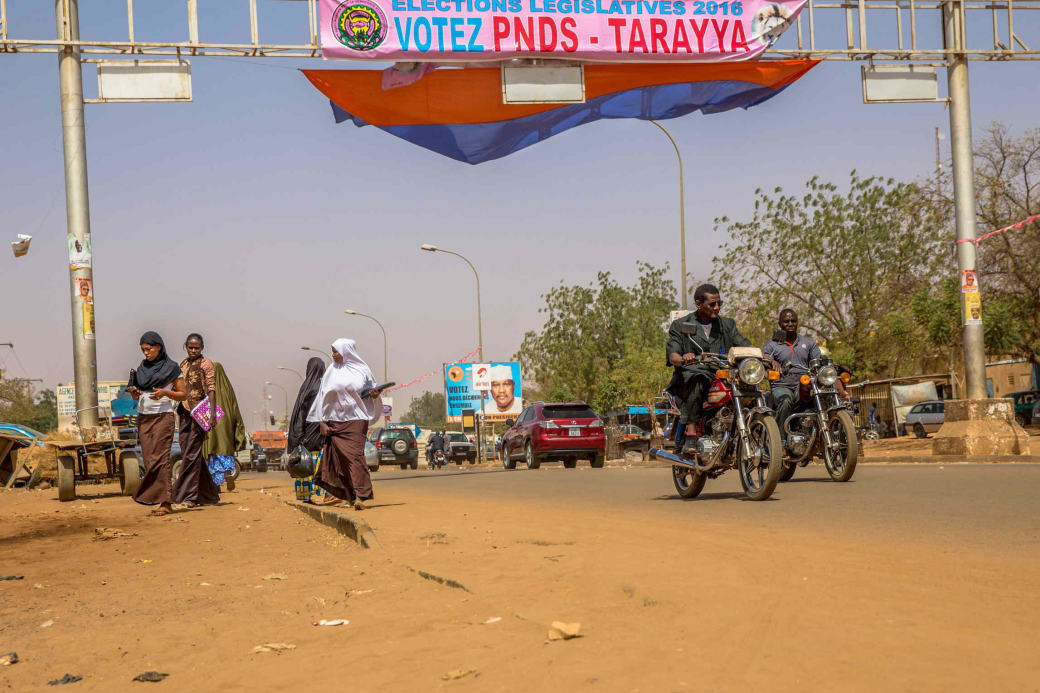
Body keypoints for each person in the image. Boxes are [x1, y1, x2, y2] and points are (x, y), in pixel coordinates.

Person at [665, 283, 751, 445]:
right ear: (698, 304)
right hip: (689, 379)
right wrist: (683, 358)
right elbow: (673, 354)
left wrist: (760, 355)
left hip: (722, 374)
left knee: (748, 383)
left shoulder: (727, 325)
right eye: (712, 304)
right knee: (696, 377)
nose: (717, 307)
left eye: (719, 303)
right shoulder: (681, 325)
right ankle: (691, 433)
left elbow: (743, 344)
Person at [308, 338, 385, 509]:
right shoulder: (331, 371)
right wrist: (322, 421)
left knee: (355, 456)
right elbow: (322, 397)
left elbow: (372, 391)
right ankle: (348, 496)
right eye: (332, 350)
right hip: (334, 421)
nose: (333, 354)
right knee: (339, 460)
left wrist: (374, 394)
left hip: (356, 419)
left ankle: (362, 495)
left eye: (336, 351)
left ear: (346, 351)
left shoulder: (362, 370)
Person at [129, 332, 186, 517]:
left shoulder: (171, 367)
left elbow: (183, 394)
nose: (146, 353)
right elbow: (137, 393)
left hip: (163, 416)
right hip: (144, 416)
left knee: (161, 459)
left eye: (149, 349)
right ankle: (154, 496)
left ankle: (166, 502)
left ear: (159, 347)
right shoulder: (142, 368)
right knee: (148, 459)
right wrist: (135, 393)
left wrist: (165, 393)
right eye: (143, 350)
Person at [172, 333, 220, 508]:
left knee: (191, 454)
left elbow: (211, 388)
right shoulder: (183, 364)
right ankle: (209, 494)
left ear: (202, 348)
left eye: (196, 348)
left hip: (200, 413)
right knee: (190, 454)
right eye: (190, 347)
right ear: (185, 346)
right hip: (183, 412)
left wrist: (212, 413)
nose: (193, 350)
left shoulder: (206, 363)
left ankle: (187, 496)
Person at [200, 361, 247, 491]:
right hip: (226, 426)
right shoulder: (228, 390)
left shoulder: (207, 390)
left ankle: (216, 485)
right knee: (224, 451)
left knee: (212, 455)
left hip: (210, 425)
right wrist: (238, 429)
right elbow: (235, 409)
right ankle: (227, 472)